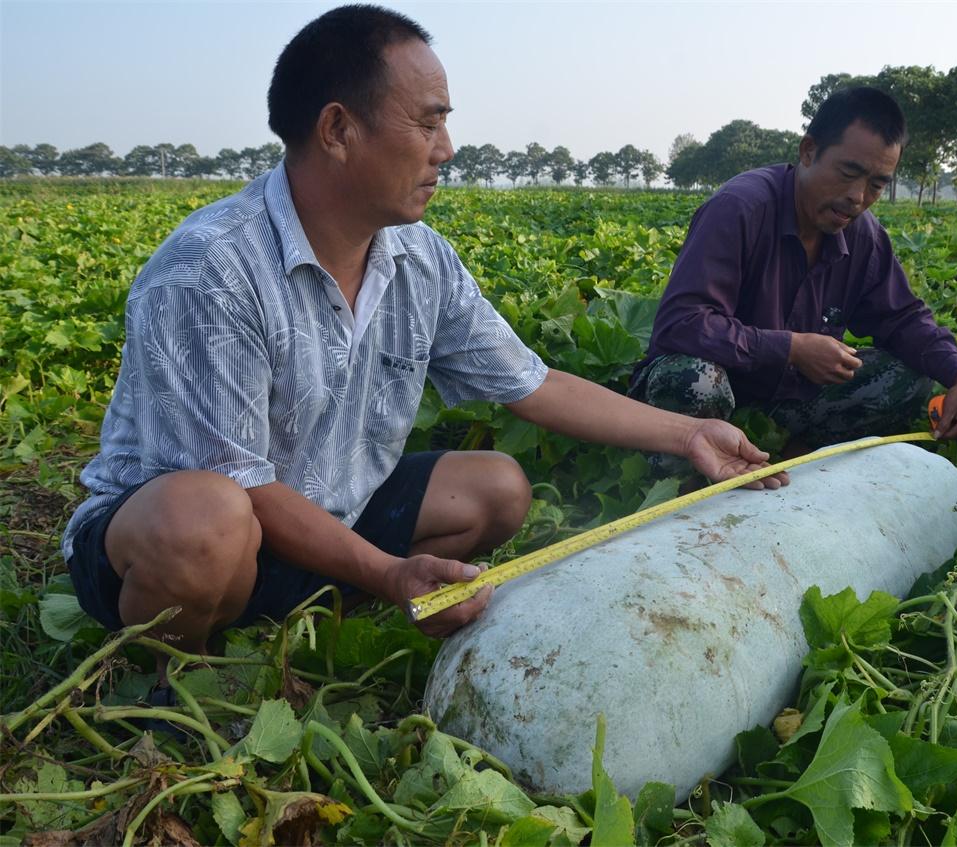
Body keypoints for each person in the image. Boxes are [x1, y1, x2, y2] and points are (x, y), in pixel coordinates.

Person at [60, 4, 783, 665]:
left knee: (496, 489)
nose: (447, 148)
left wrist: (686, 433)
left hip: (331, 508)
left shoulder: (420, 258)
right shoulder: (210, 267)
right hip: (180, 535)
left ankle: (304, 601)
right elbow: (243, 483)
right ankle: (171, 665)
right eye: (428, 122)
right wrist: (389, 571)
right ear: (338, 130)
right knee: (206, 522)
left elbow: (532, 382)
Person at [630, 87, 957, 454]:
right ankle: (685, 484)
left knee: (909, 377)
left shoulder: (864, 234)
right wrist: (791, 348)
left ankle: (789, 456)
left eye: (877, 185)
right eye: (848, 173)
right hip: (712, 399)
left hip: (785, 398)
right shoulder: (740, 209)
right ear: (808, 152)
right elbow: (681, 323)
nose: (858, 197)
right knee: (694, 379)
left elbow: (903, 318)